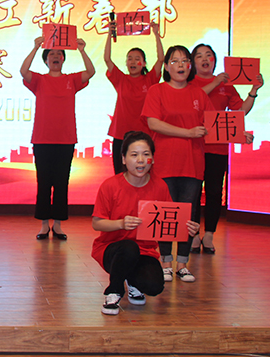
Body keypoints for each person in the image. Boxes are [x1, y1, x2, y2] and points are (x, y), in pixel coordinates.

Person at [92, 131, 200, 315]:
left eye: (146, 154)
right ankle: (114, 291)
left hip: (145, 251)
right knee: (128, 248)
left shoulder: (160, 186)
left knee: (154, 286)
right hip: (112, 249)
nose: (141, 160)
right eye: (134, 155)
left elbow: (169, 222)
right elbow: (97, 223)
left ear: (153, 159)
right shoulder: (110, 185)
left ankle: (132, 282)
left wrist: (188, 228)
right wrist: (121, 224)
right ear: (124, 159)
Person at [141, 45, 214, 283]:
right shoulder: (157, 90)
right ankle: (165, 263)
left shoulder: (198, 94)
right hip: (165, 161)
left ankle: (182, 263)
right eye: (175, 61)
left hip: (192, 162)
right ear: (166, 66)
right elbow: (153, 123)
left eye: (185, 61)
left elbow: (213, 124)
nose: (181, 65)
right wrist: (188, 132)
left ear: (190, 66)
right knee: (165, 212)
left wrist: (240, 134)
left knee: (189, 212)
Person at [20, 36, 95, 240]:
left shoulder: (71, 80)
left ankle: (59, 225)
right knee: (44, 182)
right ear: (46, 60)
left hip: (66, 139)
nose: (55, 56)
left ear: (63, 59)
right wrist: (35, 47)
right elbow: (23, 71)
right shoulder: (39, 80)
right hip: (42, 139)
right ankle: (44, 225)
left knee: (62, 183)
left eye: (59, 54)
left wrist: (82, 50)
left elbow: (91, 72)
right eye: (51, 54)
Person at [191, 44, 263, 253]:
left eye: (209, 55)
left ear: (214, 60)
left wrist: (253, 91)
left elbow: (240, 111)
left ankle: (209, 235)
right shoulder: (189, 82)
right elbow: (192, 101)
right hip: (194, 145)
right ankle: (193, 234)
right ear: (193, 62)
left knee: (214, 192)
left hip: (218, 146)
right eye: (199, 56)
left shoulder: (226, 85)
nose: (205, 59)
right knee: (193, 192)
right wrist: (214, 83)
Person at [103, 22, 164, 174]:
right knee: (120, 174)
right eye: (129, 58)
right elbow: (107, 59)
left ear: (143, 63)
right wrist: (110, 34)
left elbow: (161, 59)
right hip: (121, 134)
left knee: (145, 174)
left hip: (144, 135)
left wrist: (156, 34)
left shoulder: (150, 79)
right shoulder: (121, 79)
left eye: (137, 58)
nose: (132, 61)